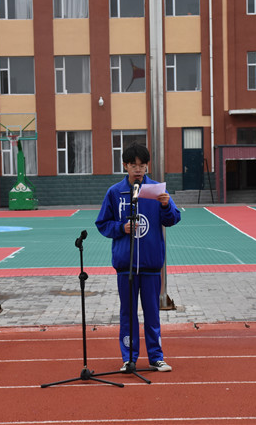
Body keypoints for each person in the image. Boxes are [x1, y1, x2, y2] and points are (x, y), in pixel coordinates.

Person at [95, 143, 181, 372]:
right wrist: (120, 228)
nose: (138, 170)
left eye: (142, 165)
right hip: (126, 266)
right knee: (128, 314)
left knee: (152, 314)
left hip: (151, 265)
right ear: (125, 165)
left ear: (147, 166)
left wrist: (166, 206)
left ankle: (156, 357)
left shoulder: (157, 191)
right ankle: (129, 358)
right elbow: (102, 223)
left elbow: (173, 219)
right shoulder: (115, 192)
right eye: (133, 165)